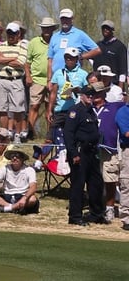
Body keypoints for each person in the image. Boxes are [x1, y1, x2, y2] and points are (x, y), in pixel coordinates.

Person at [64, 83, 108, 226]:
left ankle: (96, 214)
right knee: (78, 184)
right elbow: (68, 135)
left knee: (96, 183)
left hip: (92, 152)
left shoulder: (91, 111)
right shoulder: (75, 111)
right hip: (80, 152)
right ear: (82, 96)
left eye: (92, 95)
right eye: (88, 95)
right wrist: (73, 154)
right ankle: (75, 216)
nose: (90, 97)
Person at [88, 81, 122, 222]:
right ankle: (95, 208)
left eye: (97, 93)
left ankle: (109, 208)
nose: (95, 96)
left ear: (103, 93)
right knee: (92, 180)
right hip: (90, 149)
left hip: (109, 149)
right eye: (92, 93)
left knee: (110, 180)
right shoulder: (87, 109)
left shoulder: (114, 107)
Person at [0, 22, 28, 142]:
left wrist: (4, 60)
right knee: (1, 109)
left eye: (13, 33)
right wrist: (13, 58)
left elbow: (21, 62)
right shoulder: (1, 45)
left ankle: (17, 135)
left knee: (17, 109)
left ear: (18, 34)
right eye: (9, 33)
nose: (11, 35)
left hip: (15, 80)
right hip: (1, 79)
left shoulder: (23, 46)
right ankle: (5, 134)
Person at [47, 47, 89, 141]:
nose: (69, 60)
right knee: (51, 136)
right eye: (67, 57)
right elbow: (53, 93)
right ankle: (41, 154)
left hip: (76, 110)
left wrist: (78, 91)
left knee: (73, 137)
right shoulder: (58, 73)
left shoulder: (83, 74)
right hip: (61, 110)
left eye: (72, 58)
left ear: (77, 59)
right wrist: (50, 110)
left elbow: (87, 92)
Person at [25, 17, 57, 139]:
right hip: (37, 79)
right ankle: (30, 133)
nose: (46, 30)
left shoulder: (56, 41)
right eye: (44, 27)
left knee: (50, 107)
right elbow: (27, 62)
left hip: (53, 79)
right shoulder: (34, 42)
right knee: (34, 106)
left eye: (49, 27)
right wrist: (28, 75)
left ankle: (49, 135)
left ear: (53, 28)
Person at [47, 8, 101, 75]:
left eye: (67, 18)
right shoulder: (55, 37)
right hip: (56, 76)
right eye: (63, 18)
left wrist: (81, 57)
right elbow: (50, 60)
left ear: (72, 19)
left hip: (74, 76)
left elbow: (97, 50)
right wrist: (49, 79)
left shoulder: (79, 34)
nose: (65, 21)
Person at [94, 20, 127, 90]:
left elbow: (123, 69)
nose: (105, 30)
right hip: (99, 84)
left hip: (114, 84)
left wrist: (120, 88)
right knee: (98, 100)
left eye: (108, 28)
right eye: (103, 28)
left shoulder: (119, 46)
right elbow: (93, 63)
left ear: (112, 30)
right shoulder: (98, 46)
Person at [114, 96, 129, 231]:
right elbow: (127, 133)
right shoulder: (123, 112)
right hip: (128, 151)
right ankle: (127, 219)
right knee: (127, 184)